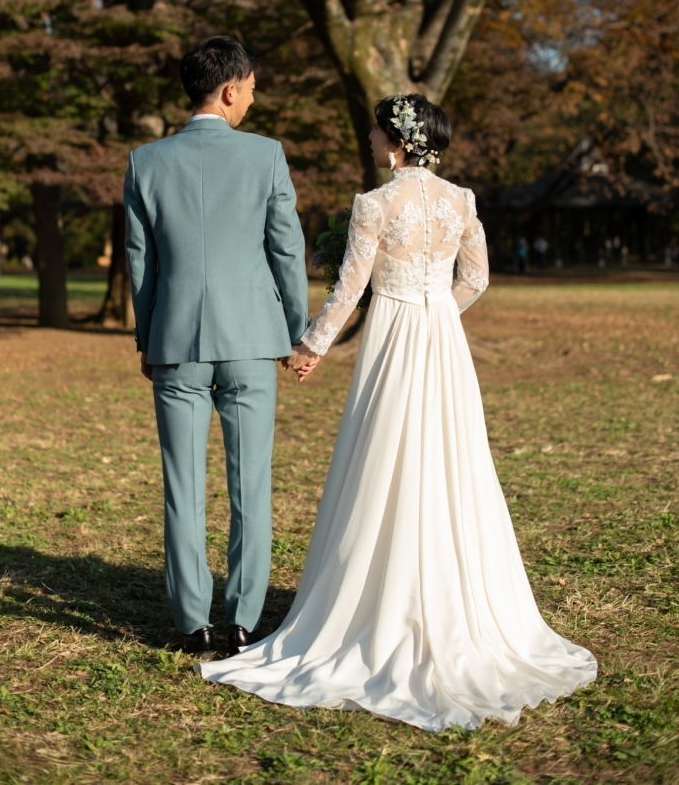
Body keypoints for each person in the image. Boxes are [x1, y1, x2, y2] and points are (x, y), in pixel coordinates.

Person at [198, 94, 597, 730]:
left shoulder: (374, 205)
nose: (371, 140)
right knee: (448, 461)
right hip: (441, 343)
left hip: (392, 343)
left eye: (378, 132)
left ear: (399, 142)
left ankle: (375, 601)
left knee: (383, 459)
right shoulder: (461, 200)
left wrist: (310, 347)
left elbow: (351, 287)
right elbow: (478, 279)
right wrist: (436, 312)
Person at [124, 36, 310, 657]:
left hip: (175, 340)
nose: (254, 98)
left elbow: (140, 264)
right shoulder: (266, 157)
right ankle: (244, 620)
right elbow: (286, 248)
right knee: (250, 483)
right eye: (252, 87)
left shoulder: (145, 162)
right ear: (230, 89)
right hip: (254, 339)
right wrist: (296, 329)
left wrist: (148, 338)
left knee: (183, 484)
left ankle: (191, 622)